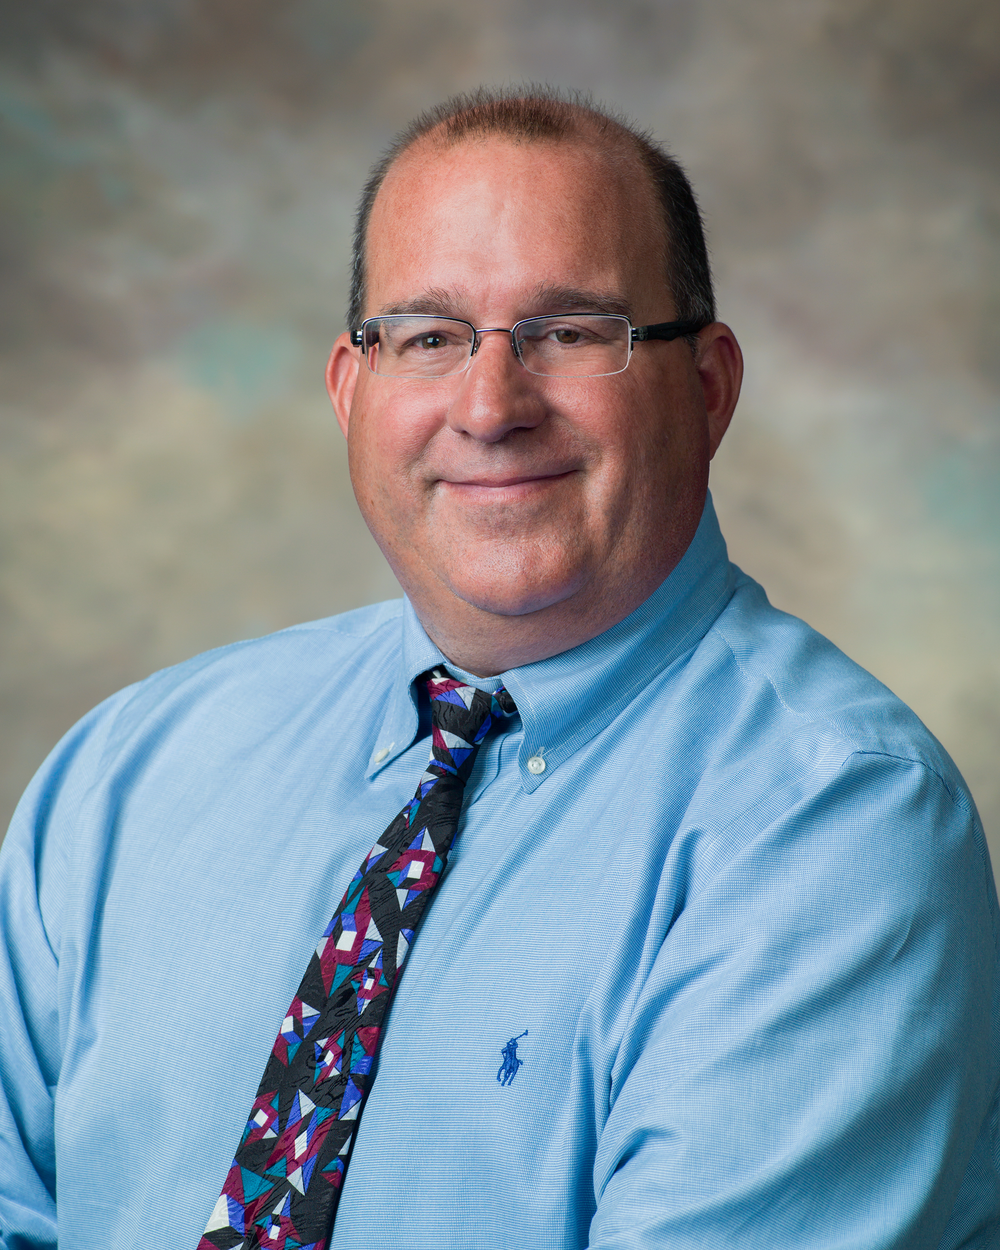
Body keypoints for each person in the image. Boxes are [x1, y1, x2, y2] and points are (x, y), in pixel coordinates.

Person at [1, 86, 997, 1250]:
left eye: (570, 331)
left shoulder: (832, 824)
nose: (489, 405)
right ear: (350, 389)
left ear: (708, 387)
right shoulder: (132, 769)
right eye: (428, 336)